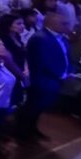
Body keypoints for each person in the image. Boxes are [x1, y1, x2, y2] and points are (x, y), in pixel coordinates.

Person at [17, 12, 71, 141]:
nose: (67, 26)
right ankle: (23, 133)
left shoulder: (62, 38)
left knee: (40, 108)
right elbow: (43, 61)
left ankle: (32, 129)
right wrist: (61, 75)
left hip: (55, 79)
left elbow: (67, 56)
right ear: (52, 24)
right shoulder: (39, 38)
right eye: (63, 23)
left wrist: (69, 71)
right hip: (42, 80)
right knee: (32, 107)